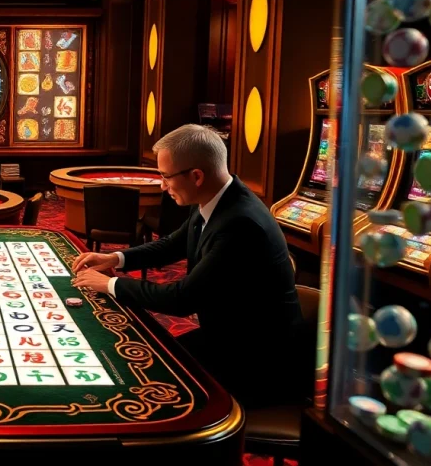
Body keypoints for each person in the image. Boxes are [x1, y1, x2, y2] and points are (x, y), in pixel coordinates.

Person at [72, 124, 304, 409]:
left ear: (196, 176)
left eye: (166, 177)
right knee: (147, 355)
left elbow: (182, 299)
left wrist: (109, 284)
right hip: (227, 335)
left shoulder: (241, 224)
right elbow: (172, 244)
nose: (162, 185)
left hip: (255, 360)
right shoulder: (214, 198)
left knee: (146, 373)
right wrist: (117, 258)